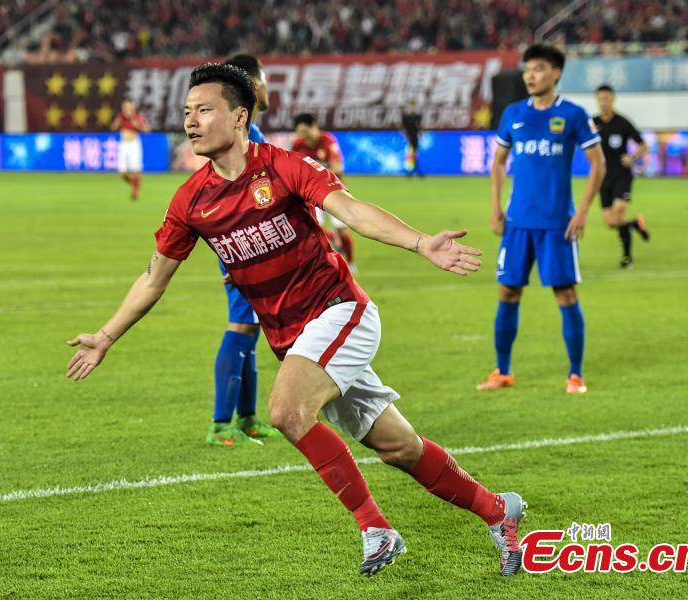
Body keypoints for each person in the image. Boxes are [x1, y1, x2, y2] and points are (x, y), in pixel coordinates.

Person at [67, 63, 526, 577]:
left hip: (340, 311)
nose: (190, 122)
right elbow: (155, 278)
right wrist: (106, 336)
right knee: (398, 447)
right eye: (186, 112)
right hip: (292, 338)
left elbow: (350, 211)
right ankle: (497, 509)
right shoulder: (190, 200)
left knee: (286, 410)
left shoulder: (283, 167)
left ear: (240, 117)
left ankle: (377, 529)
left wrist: (421, 243)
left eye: (203, 110)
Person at [477, 44, 605, 395]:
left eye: (538, 69)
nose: (530, 76)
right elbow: (499, 161)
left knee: (565, 294)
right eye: (527, 69)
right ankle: (503, 371)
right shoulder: (514, 113)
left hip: (556, 224)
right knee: (508, 292)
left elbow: (599, 164)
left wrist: (582, 211)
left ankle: (575, 374)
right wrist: (495, 207)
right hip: (518, 222)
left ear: (556, 73)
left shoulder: (574, 114)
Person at [199, 53, 281, 447]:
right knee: (241, 326)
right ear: (252, 83)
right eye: (264, 80)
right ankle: (220, 424)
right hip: (244, 249)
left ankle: (247, 418)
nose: (268, 89)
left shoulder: (255, 134)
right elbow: (230, 197)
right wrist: (235, 256)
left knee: (252, 327)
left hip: (254, 247)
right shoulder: (244, 138)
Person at [593, 84, 650, 268]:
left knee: (618, 211)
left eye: (607, 98)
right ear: (597, 100)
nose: (604, 102)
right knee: (611, 222)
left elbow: (643, 145)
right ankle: (635, 225)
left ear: (613, 100)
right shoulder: (592, 124)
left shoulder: (622, 122)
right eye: (601, 99)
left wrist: (632, 157)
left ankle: (627, 258)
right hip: (603, 177)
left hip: (622, 175)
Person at [292, 113, 357, 272]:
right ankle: (326, 257)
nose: (303, 136)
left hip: (334, 192)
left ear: (314, 127)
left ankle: (350, 263)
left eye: (306, 132)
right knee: (313, 229)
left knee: (341, 229)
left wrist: (313, 173)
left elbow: (338, 168)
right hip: (311, 194)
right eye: (300, 133)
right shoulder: (298, 145)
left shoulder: (327, 141)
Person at [110, 98, 150, 200]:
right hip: (123, 144)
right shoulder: (121, 117)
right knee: (122, 172)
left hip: (134, 144)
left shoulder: (138, 117)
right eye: (124, 107)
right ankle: (134, 185)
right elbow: (113, 127)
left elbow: (147, 129)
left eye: (128, 106)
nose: (126, 109)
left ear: (132, 107)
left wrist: (138, 126)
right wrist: (116, 124)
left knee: (136, 169)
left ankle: (135, 190)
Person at [401, 100, 423, 176]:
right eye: (411, 106)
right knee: (410, 153)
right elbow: (404, 127)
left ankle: (414, 170)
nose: (412, 108)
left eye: (414, 106)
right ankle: (411, 170)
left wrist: (420, 132)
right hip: (409, 137)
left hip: (415, 136)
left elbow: (419, 127)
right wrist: (405, 134)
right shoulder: (406, 117)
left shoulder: (417, 116)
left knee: (414, 153)